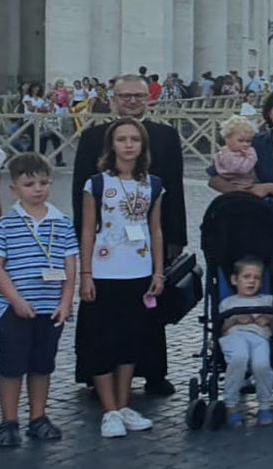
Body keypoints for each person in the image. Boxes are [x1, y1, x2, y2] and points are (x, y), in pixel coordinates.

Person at [70, 74, 186, 395]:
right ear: (113, 98)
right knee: (100, 312)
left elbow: (174, 191)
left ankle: (153, 372)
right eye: (125, 96)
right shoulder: (92, 136)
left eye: (138, 96)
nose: (132, 101)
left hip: (149, 240)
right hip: (106, 241)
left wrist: (176, 239)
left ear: (149, 98)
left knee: (149, 307)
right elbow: (81, 190)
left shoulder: (165, 135)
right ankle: (96, 373)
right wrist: (84, 241)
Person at [77, 118, 165, 438]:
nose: (128, 145)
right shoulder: (96, 184)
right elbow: (88, 230)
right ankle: (109, 409)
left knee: (131, 339)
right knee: (102, 340)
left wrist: (158, 270)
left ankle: (124, 404)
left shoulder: (153, 184)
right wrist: (86, 274)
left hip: (138, 271)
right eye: (121, 139)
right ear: (111, 145)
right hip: (104, 271)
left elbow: (154, 229)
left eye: (134, 140)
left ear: (142, 146)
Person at [0, 153, 77, 446]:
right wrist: (15, 300)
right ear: (14, 189)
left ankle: (38, 416)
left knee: (43, 364)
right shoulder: (6, 225)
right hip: (14, 308)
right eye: (29, 183)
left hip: (50, 307)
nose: (38, 189)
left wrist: (66, 302)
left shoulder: (63, 223)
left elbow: (70, 267)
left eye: (43, 182)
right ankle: (8, 420)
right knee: (11, 366)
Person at [216, 257, 273, 428]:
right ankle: (230, 404)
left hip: (259, 337)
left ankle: (265, 405)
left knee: (262, 365)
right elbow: (222, 328)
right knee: (239, 357)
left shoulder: (267, 301)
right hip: (235, 336)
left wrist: (267, 320)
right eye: (247, 277)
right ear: (235, 280)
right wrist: (235, 320)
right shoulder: (228, 303)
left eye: (256, 278)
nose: (251, 281)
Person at [211, 116, 260, 187]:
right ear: (227, 138)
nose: (245, 144)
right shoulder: (222, 152)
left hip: (246, 184)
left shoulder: (250, 153)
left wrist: (250, 156)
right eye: (240, 140)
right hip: (227, 184)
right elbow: (217, 168)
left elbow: (243, 169)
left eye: (248, 141)